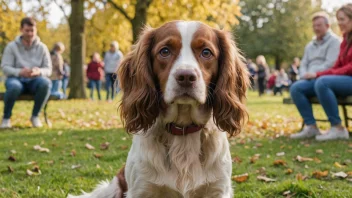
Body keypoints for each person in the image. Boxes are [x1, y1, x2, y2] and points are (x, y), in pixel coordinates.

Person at [290, 7, 352, 141]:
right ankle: (311, 127)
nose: (339, 23)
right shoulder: (345, 40)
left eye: (342, 19)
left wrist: (318, 74)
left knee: (322, 82)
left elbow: (347, 67)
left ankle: (338, 127)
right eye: (338, 20)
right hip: (340, 79)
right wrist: (316, 74)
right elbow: (338, 66)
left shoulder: (336, 41)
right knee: (296, 87)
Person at [0, 17, 52, 128]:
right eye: (27, 30)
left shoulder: (42, 48)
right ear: (21, 30)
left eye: (32, 30)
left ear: (36, 30)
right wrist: (20, 72)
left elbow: (48, 69)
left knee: (46, 83)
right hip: (15, 78)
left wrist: (39, 71)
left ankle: (35, 116)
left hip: (35, 80)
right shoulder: (11, 47)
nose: (30, 33)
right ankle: (6, 118)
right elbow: (5, 67)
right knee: (14, 86)